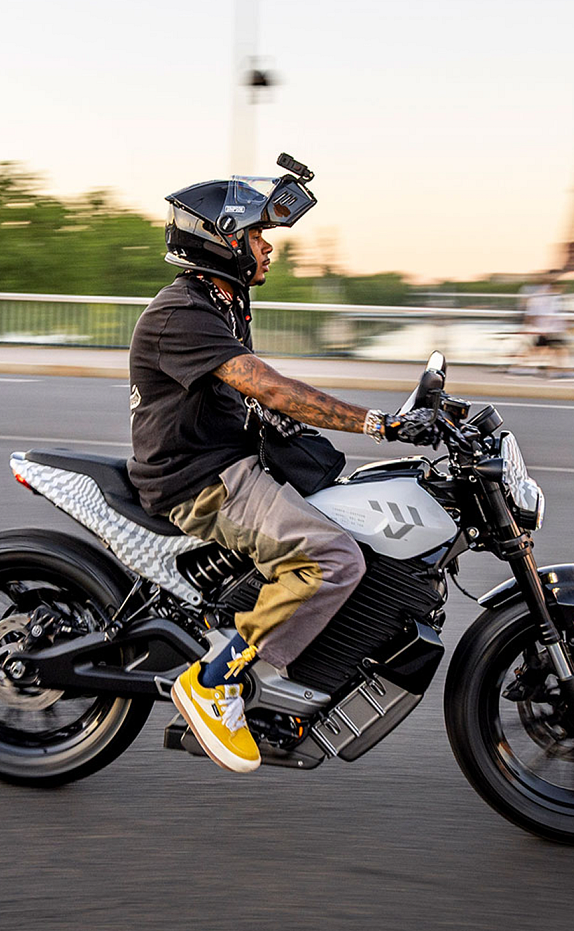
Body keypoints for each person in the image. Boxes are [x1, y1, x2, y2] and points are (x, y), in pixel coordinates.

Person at [128, 168, 440, 774]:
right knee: (332, 558)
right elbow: (267, 386)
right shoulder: (182, 313)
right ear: (222, 239)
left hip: (231, 459)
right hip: (201, 481)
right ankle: (214, 683)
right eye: (257, 235)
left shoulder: (221, 303)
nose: (267, 245)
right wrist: (382, 424)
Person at [511, 275, 574, 378]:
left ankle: (523, 367)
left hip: (549, 329)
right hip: (548, 329)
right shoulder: (546, 297)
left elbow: (534, 314)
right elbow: (543, 313)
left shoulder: (545, 297)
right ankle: (559, 371)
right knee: (554, 349)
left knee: (548, 349)